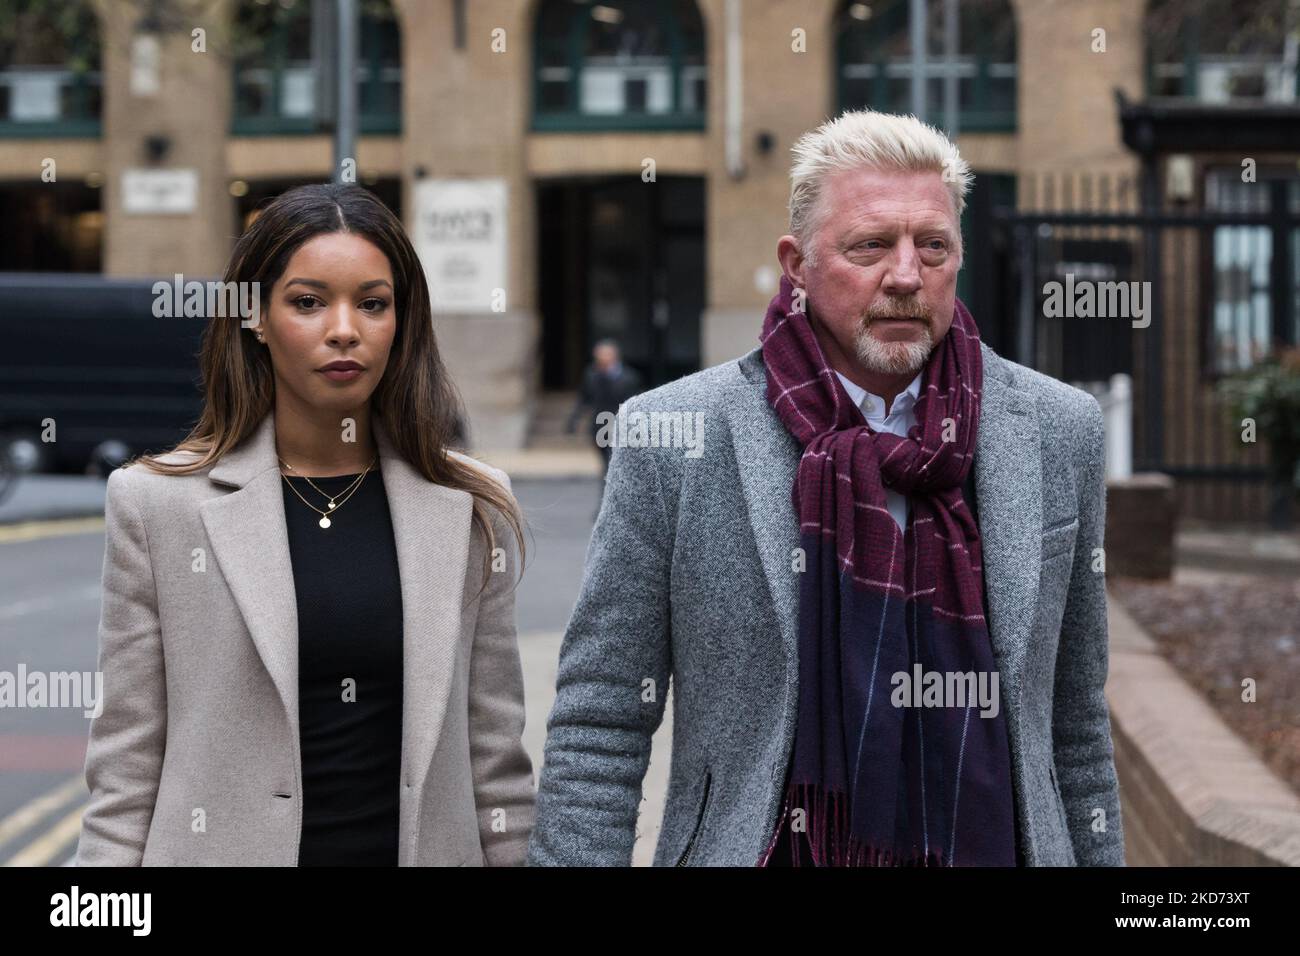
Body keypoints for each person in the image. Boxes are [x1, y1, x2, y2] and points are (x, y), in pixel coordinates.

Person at [528, 109, 1125, 867]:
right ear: (797, 264)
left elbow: (1075, 728)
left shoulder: (1058, 430)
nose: (906, 275)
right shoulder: (670, 434)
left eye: (932, 246)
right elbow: (603, 718)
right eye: (870, 245)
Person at [76, 183, 535, 866]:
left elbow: (495, 765)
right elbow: (125, 770)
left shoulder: (471, 503)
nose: (344, 328)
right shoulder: (156, 505)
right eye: (308, 302)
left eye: (373, 304)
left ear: (401, 322)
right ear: (256, 318)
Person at [567, 339, 642, 479]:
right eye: (599, 355)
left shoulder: (629, 377)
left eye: (605, 355)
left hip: (621, 426)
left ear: (614, 356)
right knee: (607, 466)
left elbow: (635, 402)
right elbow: (584, 399)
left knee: (615, 465)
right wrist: (573, 420)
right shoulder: (592, 375)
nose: (601, 359)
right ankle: (608, 496)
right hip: (600, 427)